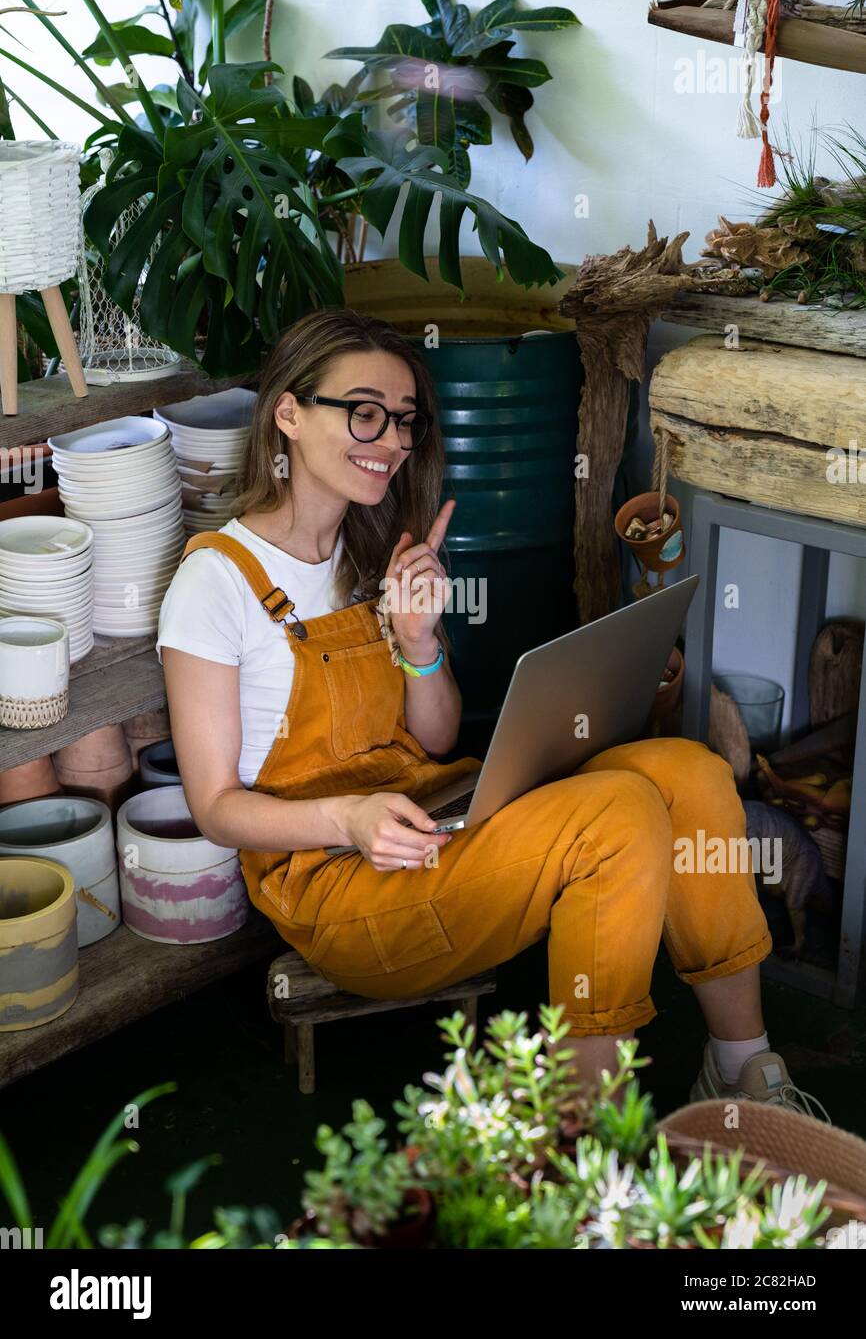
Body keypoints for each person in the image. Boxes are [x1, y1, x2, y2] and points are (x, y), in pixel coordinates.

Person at [157, 307, 829, 1119]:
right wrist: (351, 820)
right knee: (616, 813)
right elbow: (216, 811)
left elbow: (436, 736)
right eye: (363, 411)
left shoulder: (372, 556)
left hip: (435, 818)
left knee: (685, 769)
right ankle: (584, 1140)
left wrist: (418, 638)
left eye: (404, 420)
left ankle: (743, 1070)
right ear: (289, 413)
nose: (393, 439)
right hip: (343, 889)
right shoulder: (214, 582)